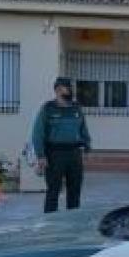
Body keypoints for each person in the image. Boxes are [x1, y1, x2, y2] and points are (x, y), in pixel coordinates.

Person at [32, 77, 92, 213]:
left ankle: (72, 221)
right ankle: (50, 222)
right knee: (53, 191)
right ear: (58, 90)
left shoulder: (76, 108)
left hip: (74, 154)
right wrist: (41, 156)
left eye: (71, 87)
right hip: (55, 155)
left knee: (75, 191)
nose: (71, 90)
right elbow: (38, 133)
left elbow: (83, 129)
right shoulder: (48, 109)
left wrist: (87, 146)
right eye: (68, 87)